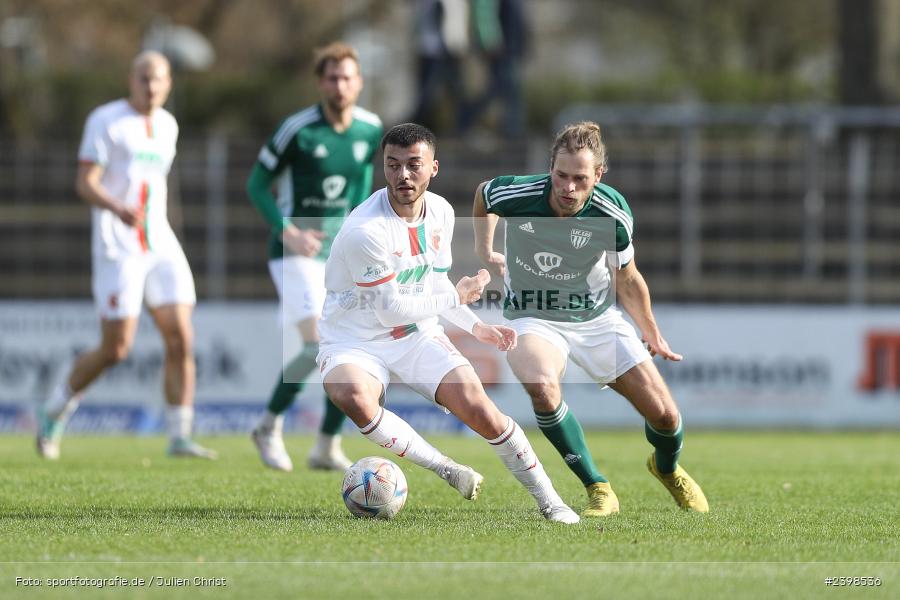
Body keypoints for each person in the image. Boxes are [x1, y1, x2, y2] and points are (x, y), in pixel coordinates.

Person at [318, 123, 579, 523]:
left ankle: (551, 502)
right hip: (353, 339)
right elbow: (391, 310)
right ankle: (446, 468)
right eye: (392, 165)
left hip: (416, 334)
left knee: (480, 409)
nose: (402, 175)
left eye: (413, 165)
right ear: (383, 168)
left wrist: (475, 326)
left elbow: (433, 281)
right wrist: (457, 296)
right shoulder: (364, 231)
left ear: (433, 167)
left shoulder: (439, 211)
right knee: (353, 395)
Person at [473, 121, 709, 517]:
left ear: (597, 175)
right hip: (533, 316)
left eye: (579, 179)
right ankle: (597, 486)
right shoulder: (520, 192)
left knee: (666, 417)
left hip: (596, 319)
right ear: (551, 168)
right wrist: (485, 249)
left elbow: (628, 277)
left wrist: (652, 332)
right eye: (561, 176)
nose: (567, 188)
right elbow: (484, 195)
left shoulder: (612, 213)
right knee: (542, 387)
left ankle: (666, 468)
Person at [37, 51, 216, 460]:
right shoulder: (106, 121)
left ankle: (179, 436)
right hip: (118, 246)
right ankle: (55, 410)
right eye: (143, 79)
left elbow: (156, 186)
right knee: (116, 348)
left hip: (160, 242)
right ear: (129, 80)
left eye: (158, 79)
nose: (150, 87)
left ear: (169, 83)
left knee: (182, 336)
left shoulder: (168, 125)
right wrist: (116, 206)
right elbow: (85, 182)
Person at [247, 42, 383, 472]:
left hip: (338, 255)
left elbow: (363, 184)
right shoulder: (298, 130)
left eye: (347, 77)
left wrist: (359, 236)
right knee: (317, 342)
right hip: (293, 254)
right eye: (332, 78)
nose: (340, 85)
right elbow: (256, 184)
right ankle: (268, 426)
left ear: (359, 82)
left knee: (353, 346)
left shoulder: (369, 128)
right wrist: (286, 230)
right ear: (320, 82)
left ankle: (325, 445)